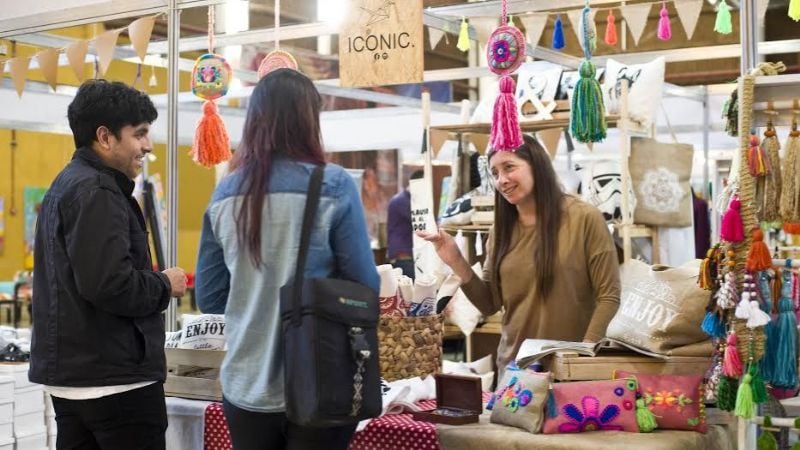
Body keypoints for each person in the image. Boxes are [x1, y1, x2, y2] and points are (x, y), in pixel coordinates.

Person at [195, 68, 379, 450]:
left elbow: (209, 298)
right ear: (309, 120)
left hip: (245, 386)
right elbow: (365, 287)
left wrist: (254, 295)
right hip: (321, 379)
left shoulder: (224, 194)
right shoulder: (333, 185)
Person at [29, 80, 187, 450]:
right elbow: (109, 284)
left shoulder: (66, 185)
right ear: (104, 137)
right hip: (116, 381)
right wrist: (165, 284)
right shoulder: (97, 191)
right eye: (139, 134)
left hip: (76, 379)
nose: (148, 145)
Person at [418, 135, 620, 373]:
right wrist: (455, 259)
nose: (501, 180)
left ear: (536, 165)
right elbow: (489, 304)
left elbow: (609, 297)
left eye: (509, 167)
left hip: (571, 371)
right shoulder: (500, 231)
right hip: (514, 372)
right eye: (495, 173)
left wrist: (583, 355)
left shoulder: (584, 218)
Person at [386, 170, 423, 279]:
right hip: (403, 256)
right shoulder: (402, 201)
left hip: (405, 255)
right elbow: (421, 222)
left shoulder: (404, 199)